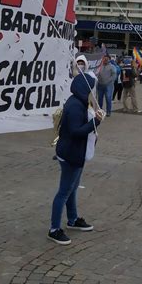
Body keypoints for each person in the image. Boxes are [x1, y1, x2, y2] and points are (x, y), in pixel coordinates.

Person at [49, 73, 104, 245]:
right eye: (91, 88)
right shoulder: (74, 105)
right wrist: (95, 122)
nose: (93, 92)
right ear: (84, 88)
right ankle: (54, 229)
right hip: (70, 153)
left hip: (76, 153)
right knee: (64, 191)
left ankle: (72, 219)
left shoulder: (80, 101)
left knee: (72, 188)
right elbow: (75, 131)